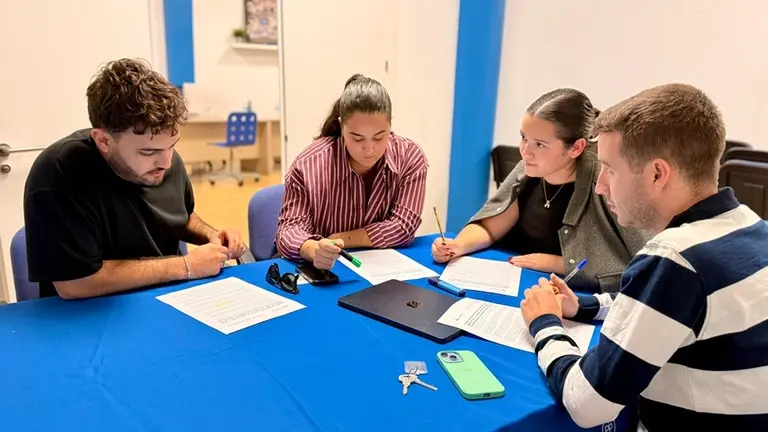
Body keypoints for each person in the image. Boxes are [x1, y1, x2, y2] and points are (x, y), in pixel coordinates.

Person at [521, 83, 768, 430]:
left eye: (609, 169)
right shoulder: (752, 228)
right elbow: (670, 309)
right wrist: (585, 306)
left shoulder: (675, 259)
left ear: (656, 174)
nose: (600, 185)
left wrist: (544, 323)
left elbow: (586, 404)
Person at [24, 59, 248, 300]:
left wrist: (210, 235)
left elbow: (180, 216)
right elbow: (75, 285)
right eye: (148, 152)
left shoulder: (164, 158)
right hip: (89, 315)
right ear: (103, 141)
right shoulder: (60, 173)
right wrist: (185, 266)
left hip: (164, 298)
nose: (166, 162)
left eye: (172, 146)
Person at [432, 89, 647, 293]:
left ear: (576, 148)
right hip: (514, 282)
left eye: (540, 144)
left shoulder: (604, 184)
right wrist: (457, 245)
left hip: (568, 297)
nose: (525, 151)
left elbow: (637, 265)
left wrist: (558, 263)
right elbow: (490, 228)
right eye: (523, 137)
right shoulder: (528, 170)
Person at [276, 74, 428, 269]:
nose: (369, 149)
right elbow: (288, 232)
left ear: (390, 125)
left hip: (381, 270)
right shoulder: (309, 164)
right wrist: (314, 249)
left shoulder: (410, 158)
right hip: (325, 271)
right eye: (357, 138)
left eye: (379, 137)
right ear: (341, 127)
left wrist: (341, 239)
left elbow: (404, 227)